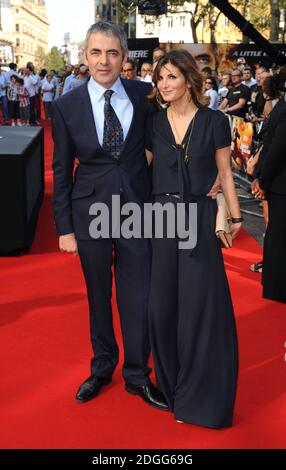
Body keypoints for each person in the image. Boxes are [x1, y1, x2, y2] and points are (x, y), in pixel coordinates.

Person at [52, 21, 168, 411]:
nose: (104, 61)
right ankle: (102, 367)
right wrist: (64, 228)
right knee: (99, 296)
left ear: (124, 58)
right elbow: (61, 170)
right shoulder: (66, 106)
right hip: (89, 215)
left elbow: (165, 147)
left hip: (138, 211)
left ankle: (138, 374)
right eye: (97, 53)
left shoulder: (145, 96)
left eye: (113, 53)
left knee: (139, 297)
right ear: (85, 57)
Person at [145, 49, 241, 428]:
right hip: (160, 222)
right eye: (159, 78)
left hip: (199, 221)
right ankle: (171, 388)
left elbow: (226, 173)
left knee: (201, 309)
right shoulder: (153, 123)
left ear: (188, 79)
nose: (164, 84)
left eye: (171, 77)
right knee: (162, 307)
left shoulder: (214, 121)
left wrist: (234, 216)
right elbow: (141, 171)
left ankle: (202, 398)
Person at [251, 69, 286, 302]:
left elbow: (278, 148)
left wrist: (263, 180)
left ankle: (278, 288)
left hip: (280, 183)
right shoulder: (282, 104)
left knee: (278, 236)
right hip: (278, 182)